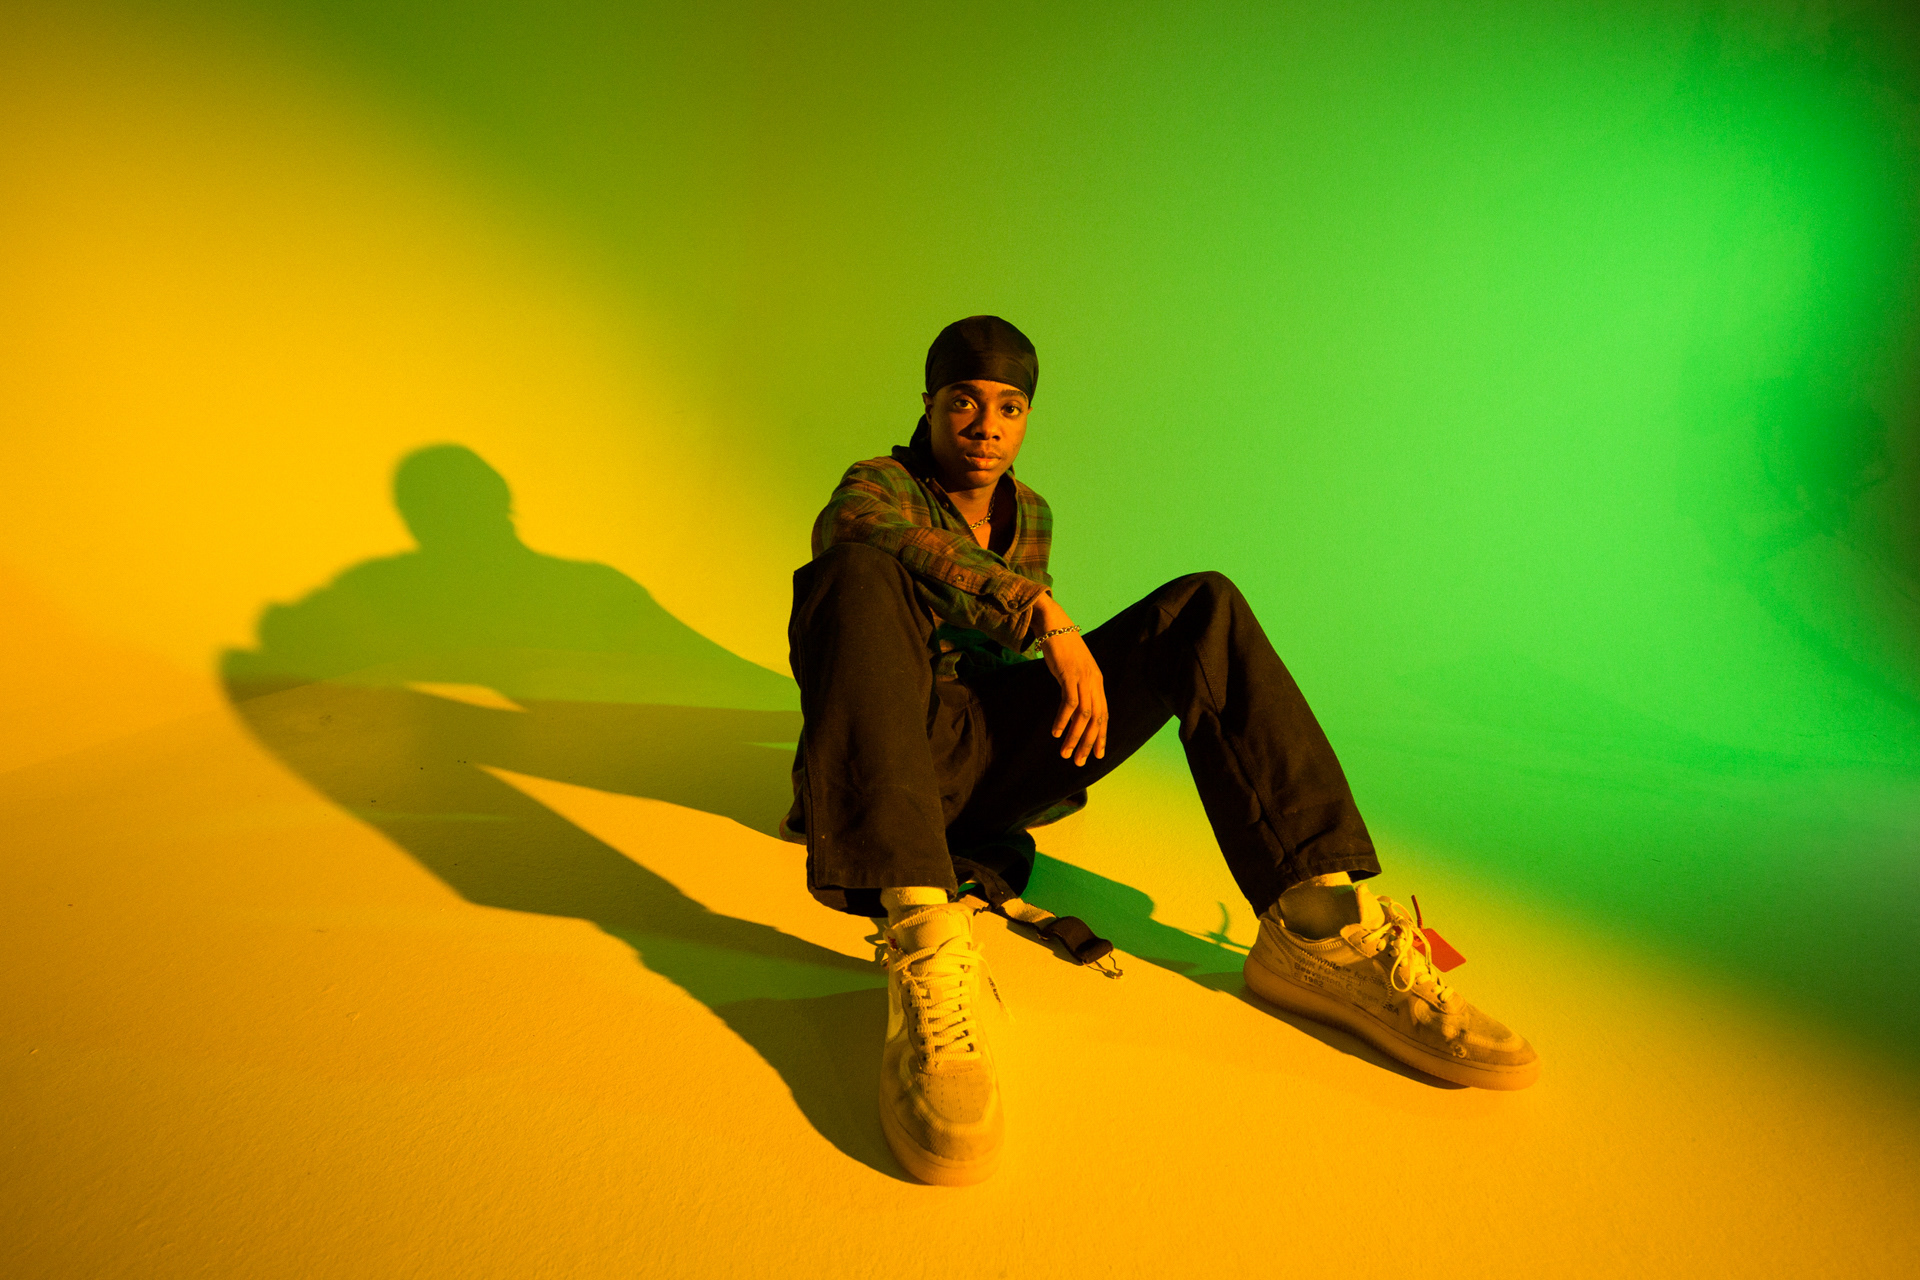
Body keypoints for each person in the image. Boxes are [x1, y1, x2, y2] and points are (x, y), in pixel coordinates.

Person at [784, 316, 1538, 1186]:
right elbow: (860, 531)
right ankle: (921, 932)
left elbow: (1014, 663)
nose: (986, 427)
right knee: (853, 573)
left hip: (995, 754)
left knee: (1202, 609)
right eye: (964, 402)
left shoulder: (1031, 512)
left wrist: (1062, 664)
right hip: (888, 754)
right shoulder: (875, 485)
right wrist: (1039, 612)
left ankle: (1321, 926)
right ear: (928, 405)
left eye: (1010, 407)